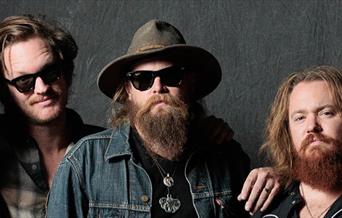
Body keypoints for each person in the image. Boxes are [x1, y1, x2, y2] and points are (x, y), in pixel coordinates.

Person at [47, 19, 279, 217]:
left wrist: (281, 179)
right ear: (128, 89)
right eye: (142, 79)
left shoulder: (227, 157)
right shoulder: (85, 162)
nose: (157, 87)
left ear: (191, 83)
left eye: (171, 76)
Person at [0, 15, 104, 218]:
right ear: (4, 90)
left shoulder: (108, 150)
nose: (42, 88)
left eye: (50, 72)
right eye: (24, 82)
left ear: (66, 72)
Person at [254, 65, 342, 217]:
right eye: (300, 117)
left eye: (326, 113)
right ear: (287, 131)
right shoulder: (268, 206)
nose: (312, 126)